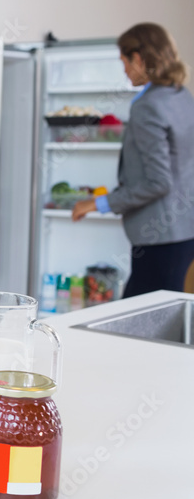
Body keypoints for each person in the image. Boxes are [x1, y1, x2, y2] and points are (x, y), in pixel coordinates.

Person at [72, 22, 194, 296]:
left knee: (137, 324)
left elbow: (158, 182)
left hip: (160, 237)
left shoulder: (147, 106)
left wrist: (97, 203)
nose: (125, 69)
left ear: (138, 58)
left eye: (124, 61)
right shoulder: (181, 96)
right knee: (161, 317)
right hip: (184, 232)